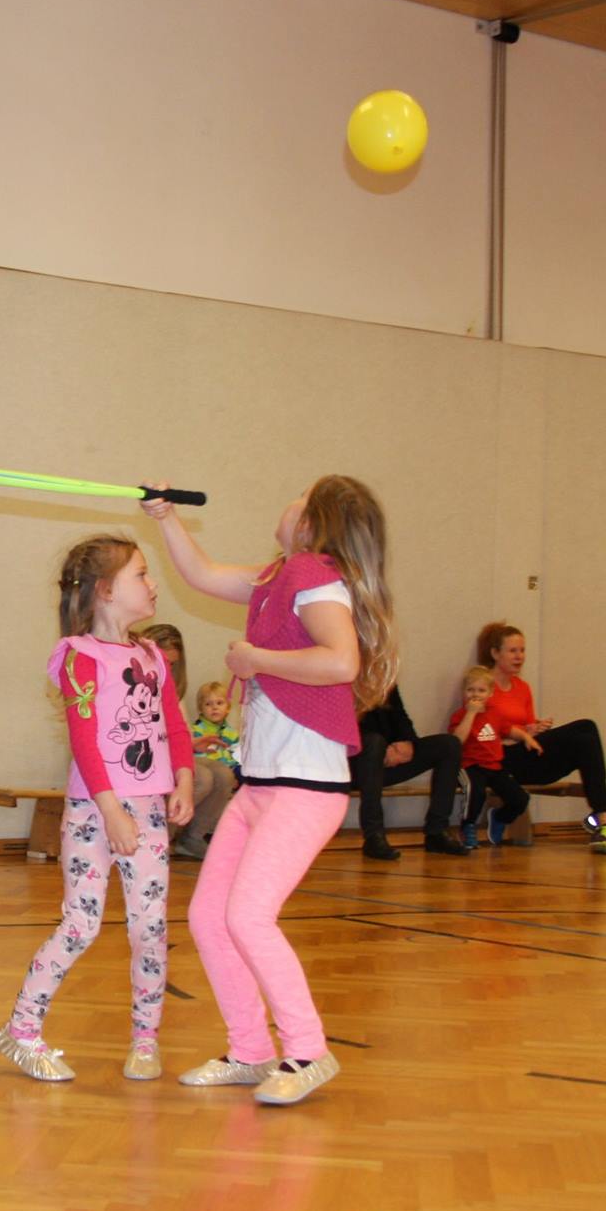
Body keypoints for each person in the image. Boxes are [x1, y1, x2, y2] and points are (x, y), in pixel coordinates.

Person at [142, 474, 394, 1107]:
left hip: (304, 788)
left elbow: (340, 662)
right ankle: (250, 1049)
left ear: (312, 524)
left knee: (248, 917)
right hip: (260, 786)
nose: (289, 502)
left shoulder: (314, 575)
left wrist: (256, 660)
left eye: (302, 499)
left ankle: (307, 1049)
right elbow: (202, 574)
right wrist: (166, 517)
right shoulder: (278, 576)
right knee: (208, 917)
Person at [0, 536, 194, 1082]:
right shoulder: (79, 657)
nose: (153, 584)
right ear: (105, 591)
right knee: (81, 924)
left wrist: (183, 779)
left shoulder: (152, 656)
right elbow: (84, 741)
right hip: (94, 811)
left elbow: (174, 726)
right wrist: (111, 812)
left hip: (148, 810)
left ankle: (145, 1041)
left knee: (149, 929)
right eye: (141, 574)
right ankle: (21, 1029)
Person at [474, 621, 606, 855]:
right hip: (502, 760)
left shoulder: (522, 687)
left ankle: (602, 813)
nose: (519, 656)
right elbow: (481, 732)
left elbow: (527, 727)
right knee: (584, 735)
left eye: (522, 650)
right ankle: (604, 815)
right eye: (513, 651)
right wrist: (520, 733)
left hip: (527, 753)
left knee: (587, 729)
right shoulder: (483, 687)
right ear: (495, 653)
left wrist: (535, 728)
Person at [133, 623, 236, 858]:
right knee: (202, 778)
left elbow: (179, 732)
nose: (167, 668)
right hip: (147, 755)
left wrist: (193, 744)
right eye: (163, 661)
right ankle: (159, 837)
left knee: (223, 775)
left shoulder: (173, 688)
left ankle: (193, 837)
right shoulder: (138, 687)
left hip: (171, 752)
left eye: (172, 664)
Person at [351, 684, 468, 861]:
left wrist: (408, 742)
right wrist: (381, 749)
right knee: (374, 743)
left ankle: (437, 832)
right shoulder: (339, 677)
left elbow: (400, 716)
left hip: (387, 758)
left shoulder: (384, 679)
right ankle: (373, 836)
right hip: (353, 765)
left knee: (449, 745)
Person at [450, 665, 527, 848]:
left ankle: (499, 817)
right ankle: (467, 826)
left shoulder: (495, 713)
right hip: (470, 765)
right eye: (470, 690)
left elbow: (508, 730)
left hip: (494, 766)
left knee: (520, 798)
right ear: (464, 692)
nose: (475, 694)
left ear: (491, 693)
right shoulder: (460, 715)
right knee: (476, 791)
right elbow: (457, 740)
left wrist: (526, 737)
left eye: (481, 690)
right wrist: (471, 713)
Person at [191, 682, 242, 775]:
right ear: (200, 709)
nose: (214, 707)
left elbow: (238, 755)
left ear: (228, 708)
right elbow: (198, 758)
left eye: (219, 703)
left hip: (230, 768)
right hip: (210, 770)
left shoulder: (231, 732)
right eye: (208, 704)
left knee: (245, 772)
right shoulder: (197, 730)